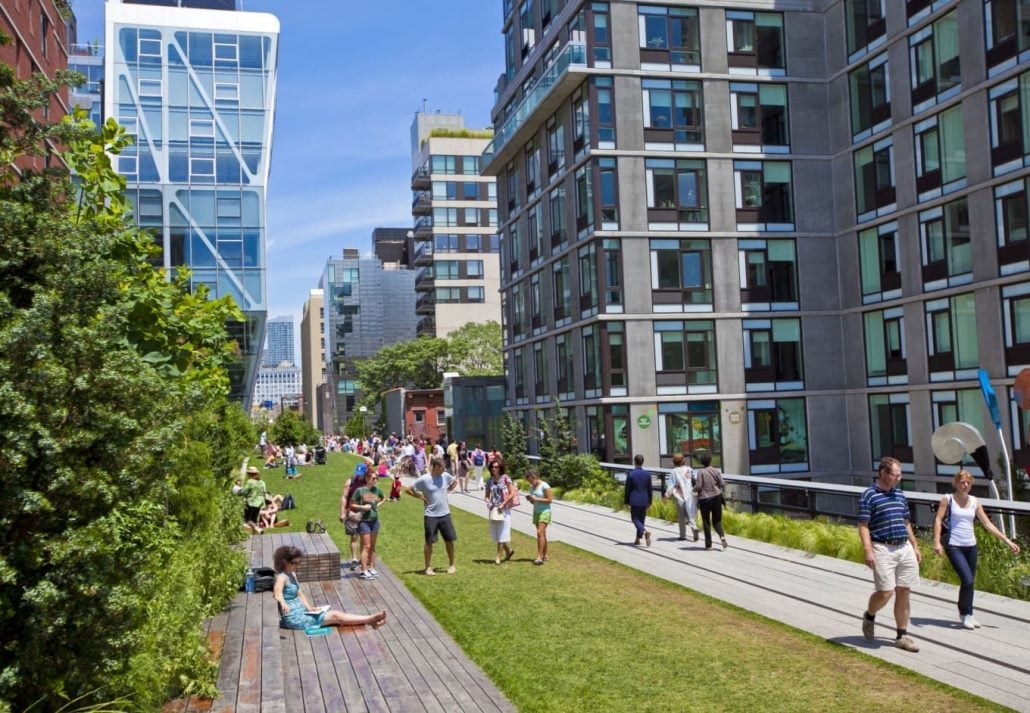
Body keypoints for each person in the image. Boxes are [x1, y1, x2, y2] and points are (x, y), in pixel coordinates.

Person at [932, 469, 1021, 629]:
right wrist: (937, 542)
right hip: (954, 545)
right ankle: (963, 612)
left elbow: (987, 524)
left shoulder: (974, 501)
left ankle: (969, 614)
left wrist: (1007, 541)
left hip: (971, 546)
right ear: (956, 484)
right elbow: (938, 520)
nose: (965, 485)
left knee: (970, 583)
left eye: (968, 483)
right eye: (962, 482)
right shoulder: (948, 499)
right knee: (967, 580)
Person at [858, 456, 922, 653]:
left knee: (904, 590)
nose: (898, 478)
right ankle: (870, 615)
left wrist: (915, 545)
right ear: (883, 473)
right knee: (886, 592)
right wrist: (868, 550)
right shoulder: (869, 495)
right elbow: (863, 525)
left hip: (903, 547)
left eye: (900, 475)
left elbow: (906, 521)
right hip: (882, 547)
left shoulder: (900, 495)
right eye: (895, 475)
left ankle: (902, 635)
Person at [272, 546, 386, 629]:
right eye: (294, 563)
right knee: (336, 616)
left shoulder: (292, 574)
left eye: (299, 563)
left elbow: (299, 593)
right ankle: (370, 619)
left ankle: (370, 621)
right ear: (285, 561)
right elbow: (277, 593)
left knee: (335, 616)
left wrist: (309, 608)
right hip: (294, 618)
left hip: (302, 613)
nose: (297, 566)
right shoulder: (282, 577)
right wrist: (283, 602)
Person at [406, 456, 459, 575]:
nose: (444, 470)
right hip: (430, 515)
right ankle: (428, 567)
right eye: (442, 468)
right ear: (435, 467)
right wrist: (420, 497)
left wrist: (448, 489)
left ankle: (451, 565)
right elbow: (408, 489)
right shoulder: (424, 479)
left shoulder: (445, 476)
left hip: (445, 513)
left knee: (449, 540)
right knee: (429, 542)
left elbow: (455, 481)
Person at [350, 468, 386, 581]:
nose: (376, 480)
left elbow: (384, 498)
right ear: (367, 478)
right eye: (374, 478)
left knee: (373, 546)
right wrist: (363, 507)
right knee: (366, 546)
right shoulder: (360, 491)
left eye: (377, 478)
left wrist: (378, 505)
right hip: (364, 521)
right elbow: (352, 505)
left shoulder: (377, 490)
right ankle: (363, 570)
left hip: (374, 521)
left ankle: (372, 567)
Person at [484, 459, 517, 564]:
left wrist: (503, 504)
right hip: (494, 509)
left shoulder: (506, 479)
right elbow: (486, 496)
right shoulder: (490, 481)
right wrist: (489, 504)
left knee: (503, 533)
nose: (494, 468)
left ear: (500, 468)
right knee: (497, 533)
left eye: (496, 467)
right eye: (493, 467)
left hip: (504, 509)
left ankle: (498, 556)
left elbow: (512, 493)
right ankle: (509, 551)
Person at [693, 452, 726, 551]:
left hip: (705, 499)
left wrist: (693, 490)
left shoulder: (701, 472)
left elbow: (698, 486)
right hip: (717, 497)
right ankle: (722, 536)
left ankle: (709, 545)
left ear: (702, 462)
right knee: (717, 521)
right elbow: (722, 483)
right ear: (710, 461)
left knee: (706, 522)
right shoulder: (716, 471)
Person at [339, 463, 367, 571]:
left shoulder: (368, 481)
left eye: (361, 474)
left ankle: (363, 558)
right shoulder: (350, 481)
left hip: (365, 512)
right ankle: (354, 559)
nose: (358, 475)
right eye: (357, 473)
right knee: (354, 536)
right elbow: (344, 497)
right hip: (352, 513)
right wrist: (342, 512)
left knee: (365, 537)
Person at [666, 452, 698, 542]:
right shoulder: (689, 469)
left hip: (679, 495)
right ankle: (694, 527)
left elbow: (671, 484)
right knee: (690, 513)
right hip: (690, 495)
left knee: (681, 516)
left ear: (674, 462)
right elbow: (695, 480)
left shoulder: (674, 471)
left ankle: (682, 535)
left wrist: (667, 494)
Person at [623, 454, 653, 547]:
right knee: (641, 519)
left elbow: (627, 489)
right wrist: (650, 501)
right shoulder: (647, 474)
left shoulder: (631, 474)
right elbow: (650, 489)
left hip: (635, 499)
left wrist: (626, 501)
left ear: (634, 461)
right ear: (642, 462)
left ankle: (644, 532)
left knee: (635, 519)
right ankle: (637, 539)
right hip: (644, 499)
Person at [526, 470, 552, 565]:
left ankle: (539, 557)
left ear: (536, 477)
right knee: (541, 534)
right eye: (529, 481)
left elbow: (549, 500)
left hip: (545, 511)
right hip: (536, 511)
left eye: (531, 481)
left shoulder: (545, 486)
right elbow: (534, 501)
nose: (531, 483)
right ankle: (545, 555)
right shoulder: (532, 487)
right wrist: (531, 500)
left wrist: (536, 498)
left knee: (540, 532)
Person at [239, 466, 267, 534]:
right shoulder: (262, 482)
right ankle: (255, 535)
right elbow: (264, 491)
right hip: (259, 503)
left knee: (247, 519)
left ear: (249, 474)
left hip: (251, 502)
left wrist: (238, 491)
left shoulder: (250, 482)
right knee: (254, 519)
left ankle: (258, 529)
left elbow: (244, 492)